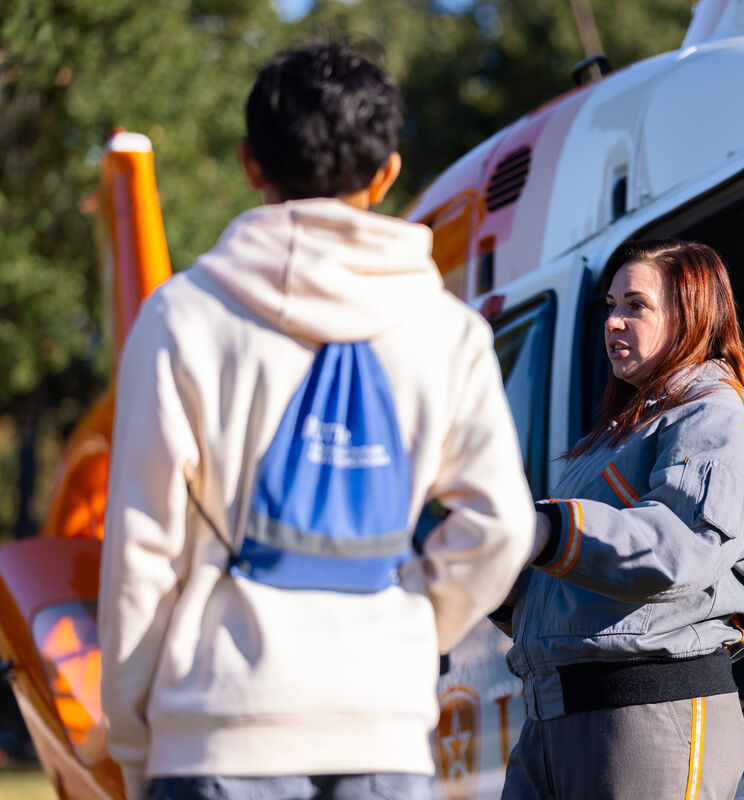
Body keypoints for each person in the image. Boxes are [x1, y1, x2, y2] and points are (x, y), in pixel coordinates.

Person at [98, 42, 534, 800]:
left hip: (216, 727)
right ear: (387, 172)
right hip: (382, 727)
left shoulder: (182, 317)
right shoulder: (444, 330)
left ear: (249, 164)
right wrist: (406, 628)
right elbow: (499, 526)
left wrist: (136, 742)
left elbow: (142, 552)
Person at [492, 239, 744, 799]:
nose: (613, 321)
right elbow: (574, 593)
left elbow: (675, 552)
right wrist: (494, 574)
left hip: (648, 715)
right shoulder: (617, 434)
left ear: (692, 315)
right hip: (553, 722)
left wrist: (548, 528)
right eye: (610, 305)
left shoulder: (718, 414)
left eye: (636, 305)